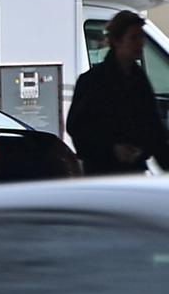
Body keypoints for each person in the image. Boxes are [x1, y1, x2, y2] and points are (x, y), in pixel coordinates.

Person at [65, 10, 169, 174]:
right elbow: (77, 129)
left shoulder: (138, 80)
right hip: (102, 173)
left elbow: (153, 126)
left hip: (134, 170)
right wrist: (112, 149)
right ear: (117, 41)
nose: (140, 43)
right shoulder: (93, 81)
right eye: (134, 37)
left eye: (141, 37)